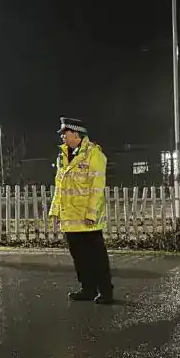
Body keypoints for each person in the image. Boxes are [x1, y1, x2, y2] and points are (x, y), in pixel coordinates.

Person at [49, 117, 113, 304]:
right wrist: (55, 211)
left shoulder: (94, 155)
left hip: (87, 219)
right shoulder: (62, 157)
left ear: (76, 134)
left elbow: (97, 187)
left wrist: (92, 213)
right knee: (79, 258)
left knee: (97, 258)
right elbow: (59, 186)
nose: (62, 136)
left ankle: (106, 292)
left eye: (65, 132)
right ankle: (87, 289)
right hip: (69, 218)